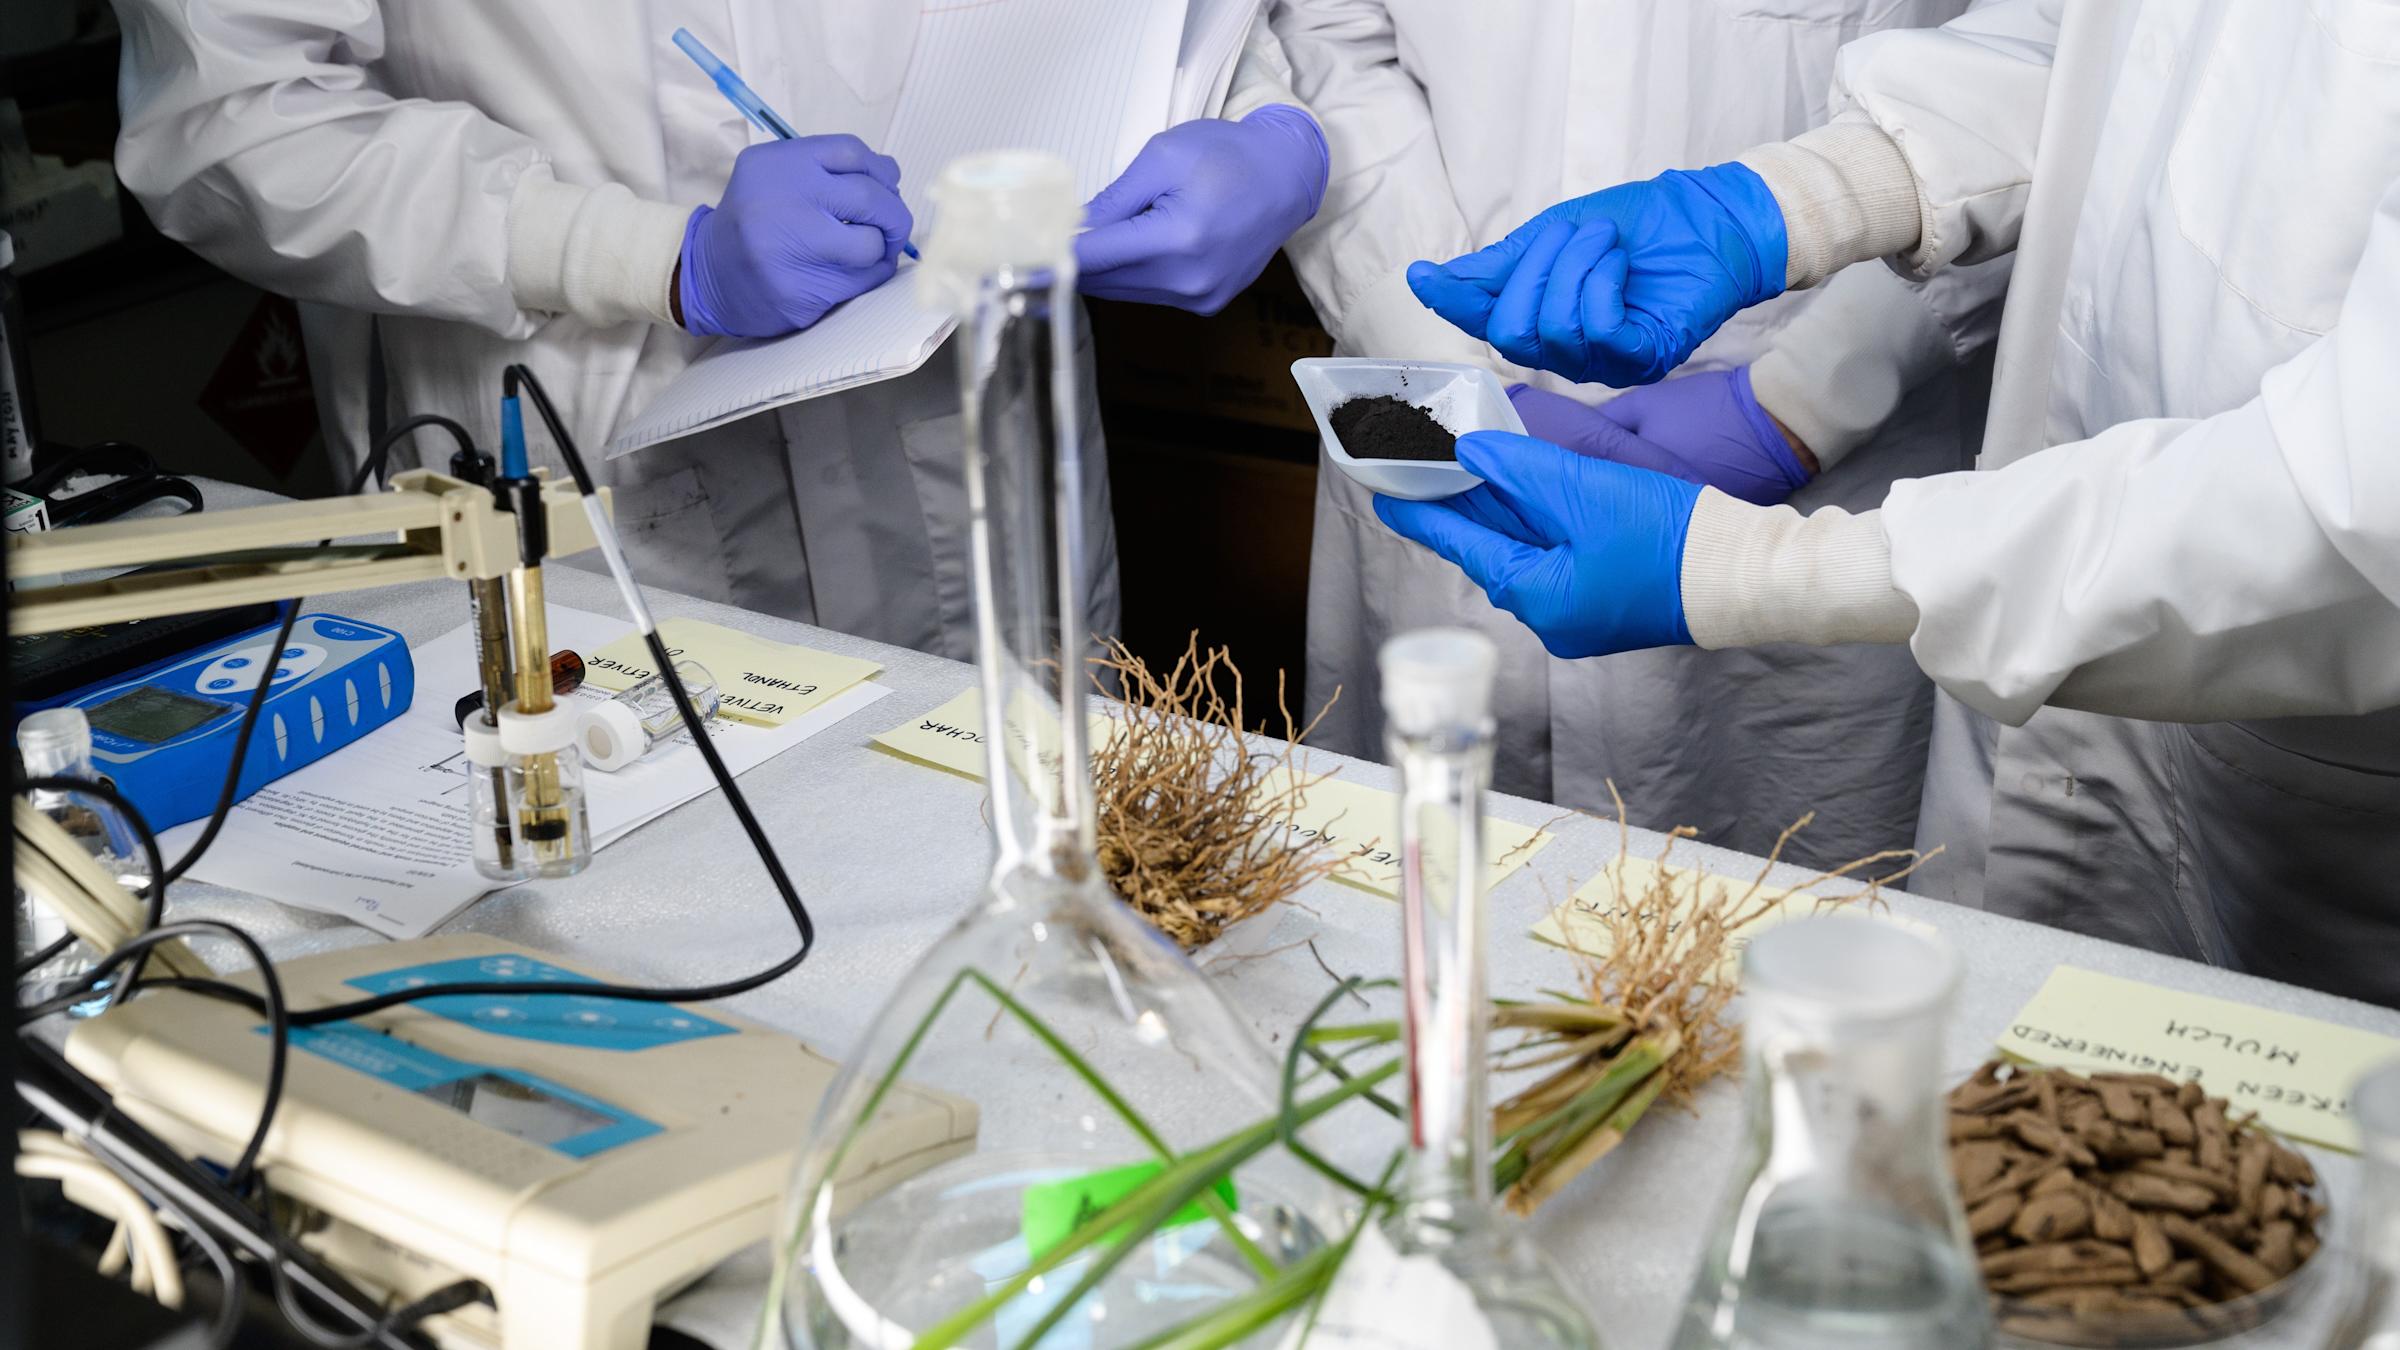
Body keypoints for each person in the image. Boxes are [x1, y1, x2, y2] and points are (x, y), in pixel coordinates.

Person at [1388, 0, 2400, 1005]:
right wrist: (1804, 197)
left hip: (2296, 794)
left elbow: (2354, 488)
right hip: (2056, 655)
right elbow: (2104, 50)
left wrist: (1766, 570)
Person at [109, 3, 1329, 662]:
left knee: (1043, 984)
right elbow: (232, 124)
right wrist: (646, 255)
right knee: (644, 1025)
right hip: (591, 467)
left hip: (975, 437)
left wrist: (1258, 119)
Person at [1269, 0, 2006, 869]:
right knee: (1419, 912)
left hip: (1830, 462)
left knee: (1775, 935)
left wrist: (1817, 390)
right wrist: (1421, 339)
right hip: (1425, 414)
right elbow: (1325, 33)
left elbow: (2050, 79)